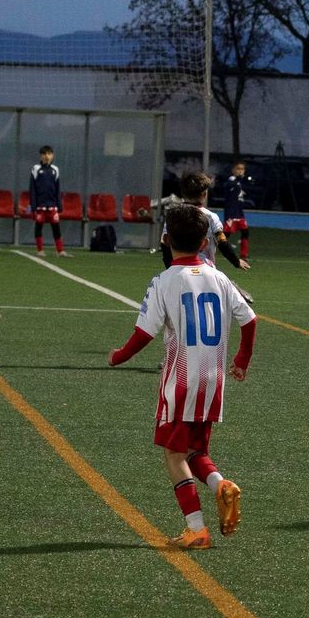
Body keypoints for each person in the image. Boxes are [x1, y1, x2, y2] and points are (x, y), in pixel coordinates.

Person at [109, 203, 257, 548]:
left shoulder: (163, 280)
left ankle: (196, 529)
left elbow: (144, 334)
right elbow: (250, 320)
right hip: (213, 379)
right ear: (206, 239)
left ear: (165, 239)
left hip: (181, 380)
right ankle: (220, 485)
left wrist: (118, 357)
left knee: (174, 455)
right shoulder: (220, 277)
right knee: (193, 450)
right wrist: (242, 360)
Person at [164, 171, 253, 300]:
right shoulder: (211, 217)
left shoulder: (172, 215)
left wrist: (170, 268)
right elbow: (222, 242)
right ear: (204, 194)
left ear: (183, 193)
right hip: (206, 268)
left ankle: (228, 287)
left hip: (178, 266)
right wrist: (236, 261)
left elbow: (165, 243)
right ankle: (230, 288)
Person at [30, 145, 65, 256]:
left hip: (52, 205)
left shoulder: (55, 170)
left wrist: (59, 205)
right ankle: (40, 250)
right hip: (40, 206)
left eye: (49, 154)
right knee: (39, 226)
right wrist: (33, 206)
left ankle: (60, 251)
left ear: (53, 156)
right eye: (44, 154)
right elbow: (32, 188)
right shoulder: (36, 169)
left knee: (56, 227)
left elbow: (57, 188)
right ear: (41, 156)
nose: (47, 156)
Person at [222, 160, 254, 261]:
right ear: (233, 170)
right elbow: (230, 185)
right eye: (238, 169)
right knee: (225, 234)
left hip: (239, 213)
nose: (241, 171)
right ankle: (212, 249)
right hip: (231, 213)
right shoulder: (231, 180)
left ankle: (244, 254)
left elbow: (247, 188)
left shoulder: (241, 181)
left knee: (245, 231)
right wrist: (239, 181)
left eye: (242, 169)